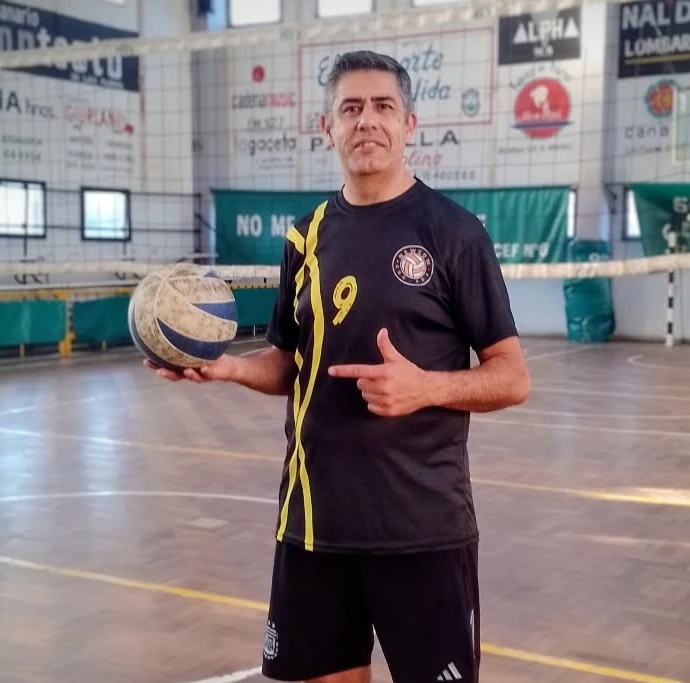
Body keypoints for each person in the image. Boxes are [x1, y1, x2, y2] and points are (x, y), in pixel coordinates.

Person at [149, 50, 530, 683]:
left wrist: (424, 387)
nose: (367, 120)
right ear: (327, 128)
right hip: (313, 521)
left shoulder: (456, 233)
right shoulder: (305, 237)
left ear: (409, 124)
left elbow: (512, 375)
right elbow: (289, 363)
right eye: (350, 108)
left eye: (383, 106)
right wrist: (230, 370)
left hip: (420, 525)